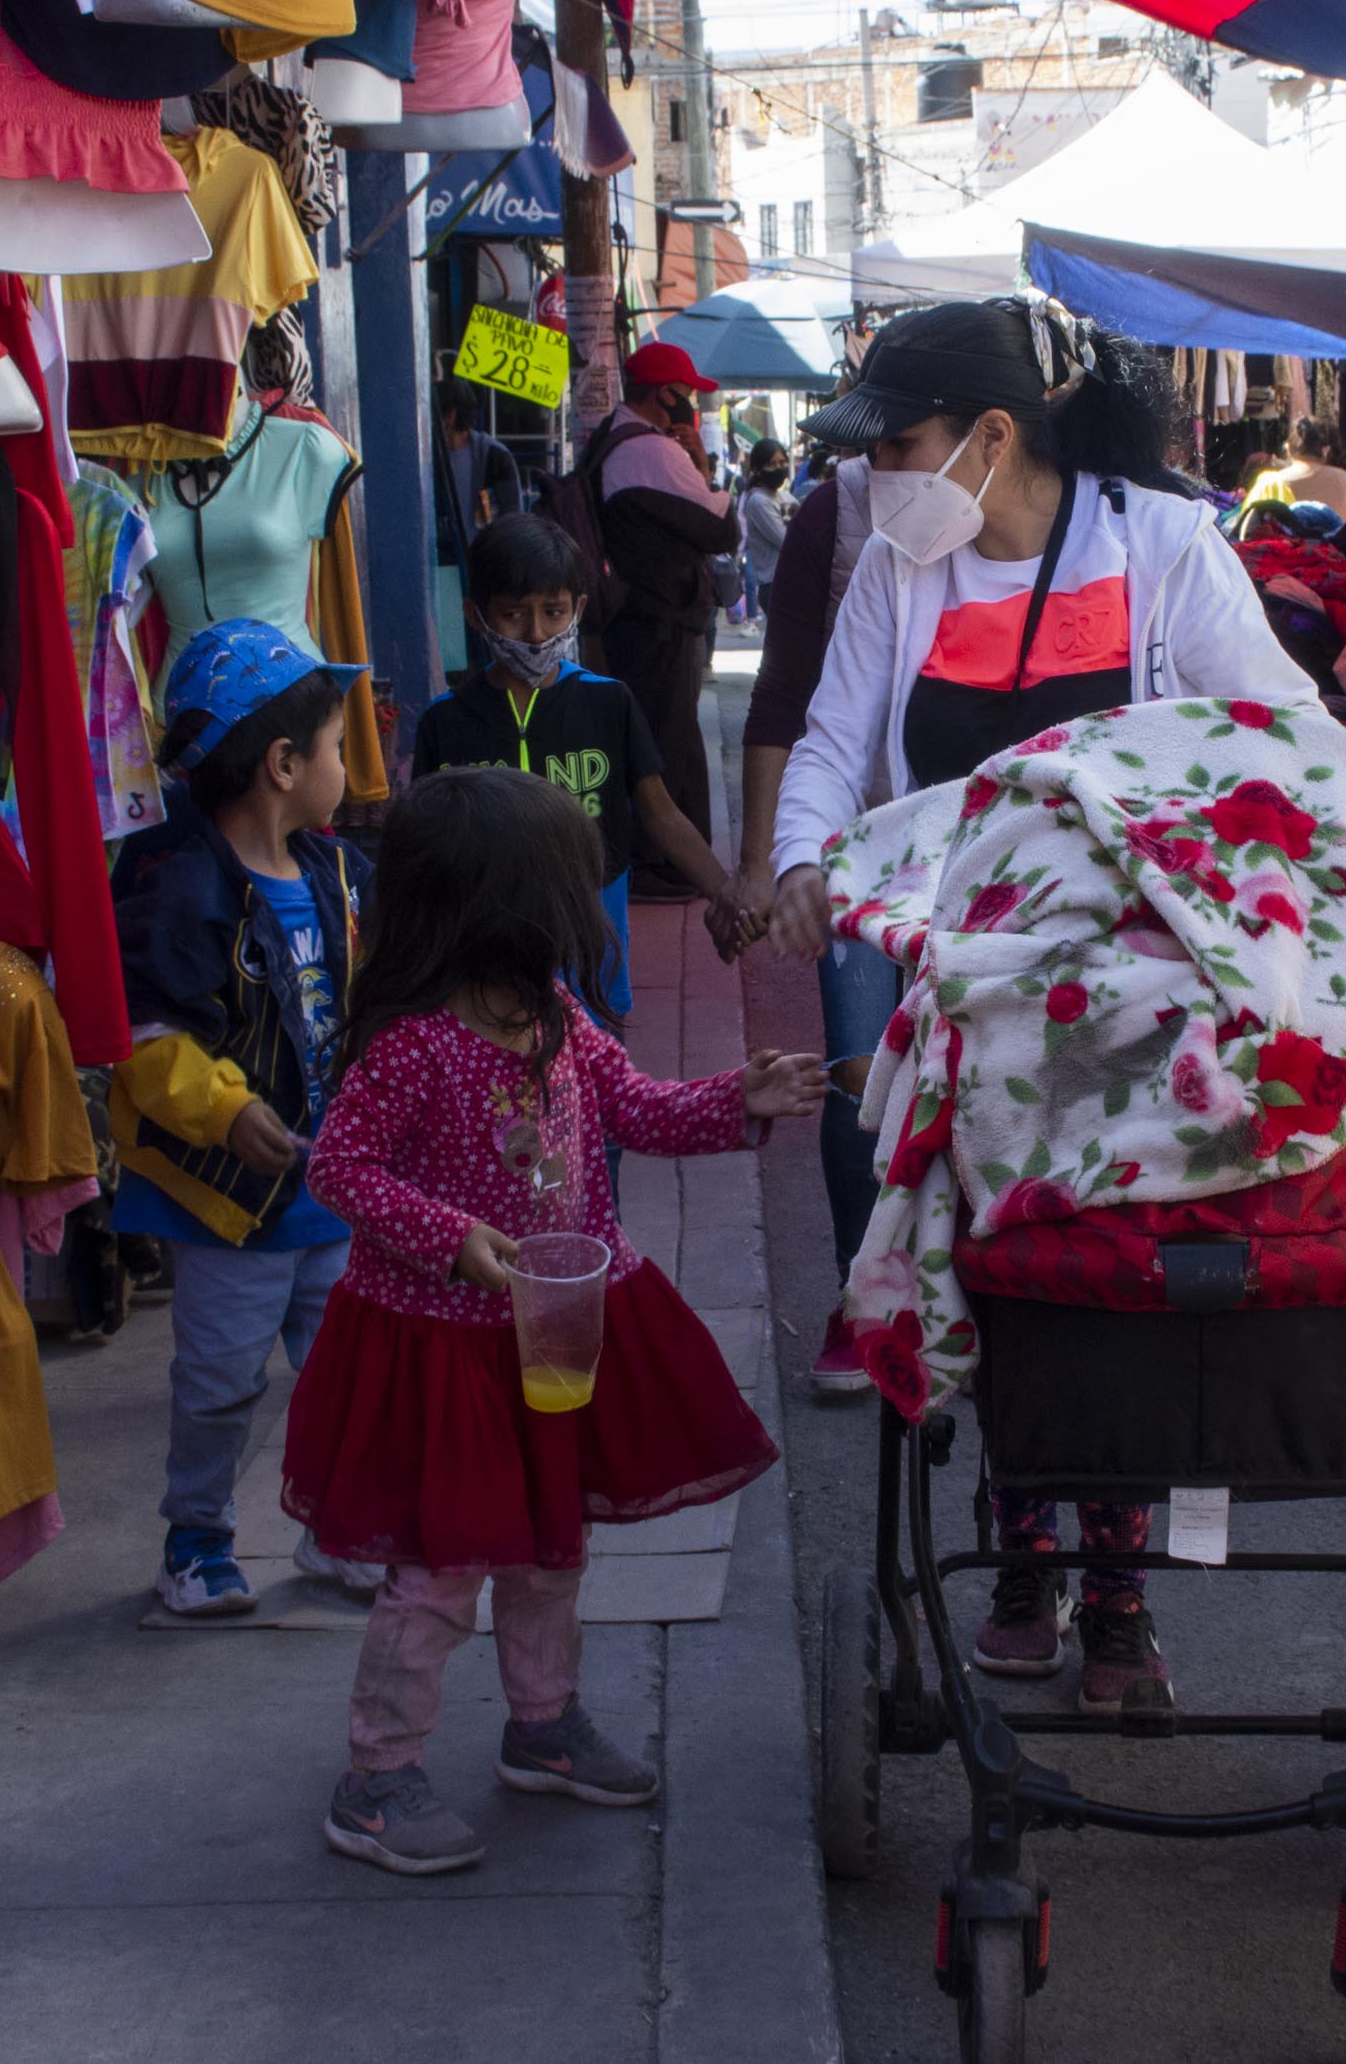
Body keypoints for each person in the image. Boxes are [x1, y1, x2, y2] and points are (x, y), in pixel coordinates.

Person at [767, 298, 1317, 1713]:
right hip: (966, 996)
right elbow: (833, 746)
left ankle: (1120, 1598)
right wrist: (800, 867)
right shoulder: (898, 569)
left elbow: (1273, 733)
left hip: (1142, 995)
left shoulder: (1164, 547)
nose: (876, 471)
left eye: (898, 443)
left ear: (991, 436)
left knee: (1119, 1286)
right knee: (1001, 1273)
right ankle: (1022, 1558)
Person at [284, 767, 824, 1873]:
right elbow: (337, 1167)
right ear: (499, 900)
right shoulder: (410, 1042)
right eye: (570, 885)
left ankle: (544, 1724)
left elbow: (635, 1106)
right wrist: (450, 1237)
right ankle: (376, 1777)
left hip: (557, 1333)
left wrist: (739, 1098)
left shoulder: (554, 1013)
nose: (586, 906)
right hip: (444, 1347)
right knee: (437, 1572)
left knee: (550, 1550)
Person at [109, 620, 375, 1619]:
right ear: (281, 763)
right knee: (219, 1380)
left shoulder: (341, 876)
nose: (346, 766)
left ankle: (341, 1531)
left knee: (344, 1376)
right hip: (227, 1202)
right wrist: (224, 1111)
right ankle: (197, 1539)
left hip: (332, 1195)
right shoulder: (176, 886)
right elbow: (144, 1039)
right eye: (338, 748)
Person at [413, 514, 757, 1003]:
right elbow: (424, 857)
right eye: (513, 614)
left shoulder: (608, 702)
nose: (535, 633)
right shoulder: (444, 723)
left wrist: (724, 895)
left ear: (578, 608)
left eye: (553, 612)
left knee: (599, 1075)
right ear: (476, 615)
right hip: (482, 967)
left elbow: (660, 814)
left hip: (591, 962)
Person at [731, 451, 885, 1395]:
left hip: (1005, 854)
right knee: (861, 1072)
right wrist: (767, 861)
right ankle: (862, 1292)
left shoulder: (1071, 512)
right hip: (863, 850)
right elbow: (789, 701)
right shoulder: (838, 511)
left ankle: (994, 1290)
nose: (891, 460)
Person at [587, 339, 743, 880]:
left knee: (673, 739)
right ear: (665, 394)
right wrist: (702, 468)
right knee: (664, 742)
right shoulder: (652, 451)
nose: (691, 406)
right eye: (686, 395)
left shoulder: (618, 439)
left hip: (644, 622)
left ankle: (677, 863)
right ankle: (661, 865)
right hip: (658, 626)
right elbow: (722, 526)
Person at [434, 377, 523, 545]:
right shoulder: (433, 459)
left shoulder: (494, 456)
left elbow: (513, 518)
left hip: (487, 557)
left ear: (450, 416)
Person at [1241, 416, 1346, 517]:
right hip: (1337, 543)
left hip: (1289, 543)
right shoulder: (1343, 478)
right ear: (1326, 450)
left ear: (1288, 450)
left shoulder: (1269, 482)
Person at [733, 438, 793, 628]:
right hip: (776, 584)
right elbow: (786, 540)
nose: (778, 468)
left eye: (782, 462)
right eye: (772, 464)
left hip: (787, 582)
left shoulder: (782, 496)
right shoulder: (758, 501)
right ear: (758, 469)